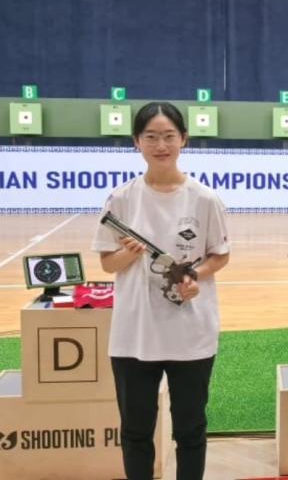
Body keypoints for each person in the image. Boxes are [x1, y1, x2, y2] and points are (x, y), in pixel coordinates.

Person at [92, 102, 230, 480]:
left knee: (190, 430)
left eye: (169, 136)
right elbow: (107, 264)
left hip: (191, 333)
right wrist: (128, 253)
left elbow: (220, 255)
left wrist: (194, 277)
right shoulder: (120, 200)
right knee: (136, 431)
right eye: (151, 136)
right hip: (134, 335)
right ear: (136, 142)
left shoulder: (205, 198)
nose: (161, 145)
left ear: (184, 139)